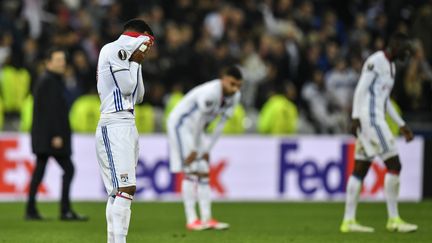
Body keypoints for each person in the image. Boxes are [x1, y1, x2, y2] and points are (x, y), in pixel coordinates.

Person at [340, 33, 418, 233]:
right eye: (405, 48)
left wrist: (401, 124)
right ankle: (394, 219)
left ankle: (348, 221)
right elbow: (360, 89)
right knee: (394, 164)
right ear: (395, 44)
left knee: (360, 169)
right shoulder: (376, 61)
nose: (406, 53)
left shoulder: (391, 66)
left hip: (374, 119)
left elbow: (385, 100)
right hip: (372, 120)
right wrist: (356, 117)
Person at [95, 19, 154, 243]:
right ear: (143, 36)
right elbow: (127, 87)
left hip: (128, 122)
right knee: (125, 188)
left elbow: (138, 96)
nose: (149, 48)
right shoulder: (115, 49)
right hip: (114, 124)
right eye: (149, 42)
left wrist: (136, 62)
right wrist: (136, 62)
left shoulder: (128, 56)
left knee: (119, 192)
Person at [167, 66, 242, 231]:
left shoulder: (235, 96)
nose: (235, 89)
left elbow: (220, 125)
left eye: (238, 85)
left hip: (197, 130)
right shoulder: (210, 94)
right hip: (181, 125)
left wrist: (207, 149)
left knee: (204, 170)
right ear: (223, 79)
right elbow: (200, 120)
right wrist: (195, 149)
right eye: (232, 84)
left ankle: (207, 219)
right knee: (191, 169)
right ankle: (192, 219)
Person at [26, 47, 87, 221]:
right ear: (48, 63)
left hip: (44, 136)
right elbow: (51, 112)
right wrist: (56, 135)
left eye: (63, 60)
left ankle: (31, 209)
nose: (62, 63)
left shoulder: (49, 80)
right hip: (50, 137)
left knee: (40, 170)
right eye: (58, 60)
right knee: (68, 169)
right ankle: (64, 210)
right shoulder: (49, 81)